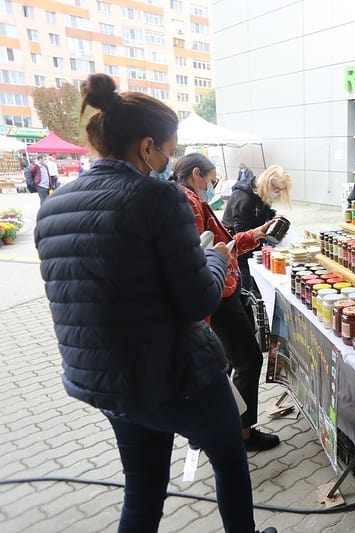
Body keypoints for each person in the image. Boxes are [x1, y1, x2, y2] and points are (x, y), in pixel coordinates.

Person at [34, 73, 275, 533]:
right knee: (229, 459)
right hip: (174, 375)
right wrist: (215, 257)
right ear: (147, 147)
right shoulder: (158, 197)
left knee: (143, 489)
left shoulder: (53, 207)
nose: (169, 161)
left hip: (107, 380)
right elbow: (197, 299)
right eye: (168, 150)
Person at [171, 153, 281, 452]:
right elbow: (207, 254)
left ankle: (217, 426)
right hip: (217, 292)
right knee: (248, 359)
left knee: (230, 361)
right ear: (196, 174)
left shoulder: (189, 199)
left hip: (217, 289)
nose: (213, 185)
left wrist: (254, 235)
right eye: (212, 179)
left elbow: (223, 244)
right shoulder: (188, 203)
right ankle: (241, 433)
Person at [222, 164, 292, 294]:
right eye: (275, 188)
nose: (276, 192)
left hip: (253, 240)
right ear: (266, 183)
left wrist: (273, 216)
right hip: (237, 247)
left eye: (280, 190)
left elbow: (262, 210)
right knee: (247, 284)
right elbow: (240, 232)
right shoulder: (243, 197)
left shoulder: (262, 193)